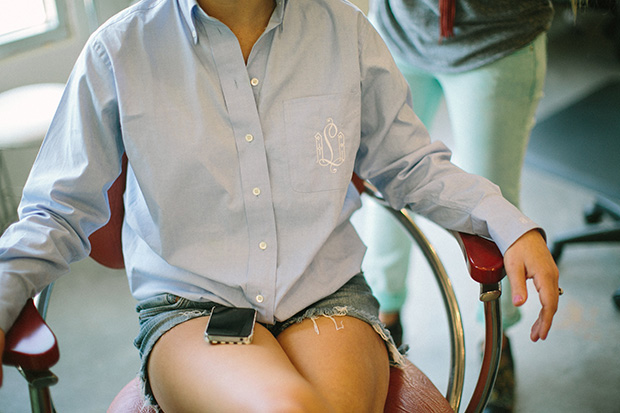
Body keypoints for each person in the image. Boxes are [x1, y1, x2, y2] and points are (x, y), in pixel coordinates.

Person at [0, 0, 559, 411]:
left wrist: (507, 222)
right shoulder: (118, 51)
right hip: (193, 307)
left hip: (327, 298)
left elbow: (409, 163)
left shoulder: (346, 32)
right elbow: (56, 211)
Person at [356, 1, 554, 411]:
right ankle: (385, 317)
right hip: (400, 32)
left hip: (495, 38)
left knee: (494, 202)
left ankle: (495, 341)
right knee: (381, 192)